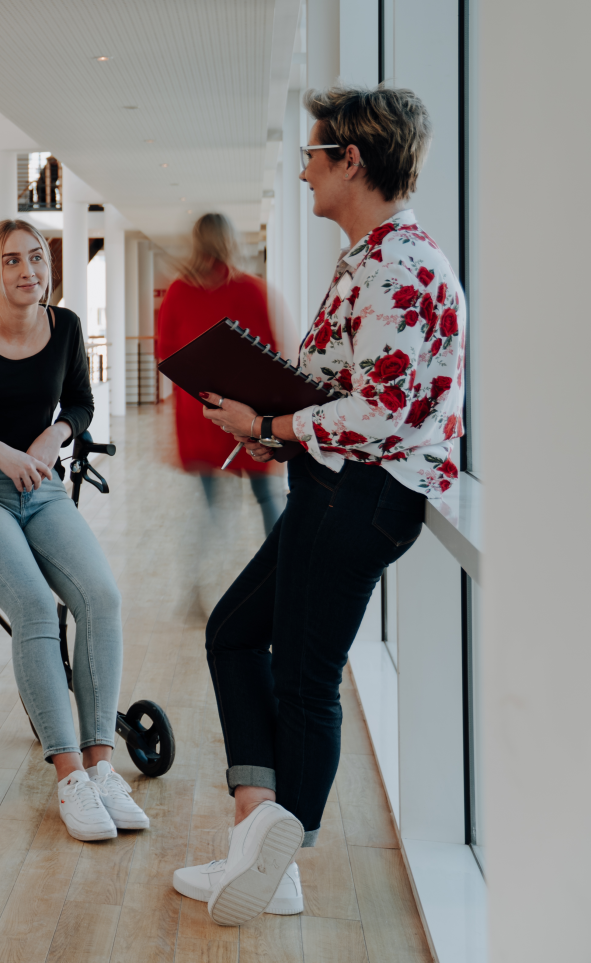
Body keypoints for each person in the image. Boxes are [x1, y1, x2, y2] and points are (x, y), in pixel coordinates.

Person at [175, 85, 466, 926]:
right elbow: (342, 391)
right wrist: (270, 426)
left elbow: (382, 414)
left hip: (363, 496)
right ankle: (263, 842)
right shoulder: (367, 259)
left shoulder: (402, 267)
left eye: (313, 155)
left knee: (305, 679)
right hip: (332, 483)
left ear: (352, 160)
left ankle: (280, 853)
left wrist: (270, 419)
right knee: (233, 631)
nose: (303, 172)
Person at [0, 219, 149, 843]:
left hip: (38, 488)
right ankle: (68, 775)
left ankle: (100, 764)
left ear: (49, 266)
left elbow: (80, 403)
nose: (25, 271)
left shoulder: (64, 327)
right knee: (37, 606)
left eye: (35, 258)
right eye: (9, 260)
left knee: (102, 599)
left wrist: (52, 437)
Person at [155, 213, 285, 533]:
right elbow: (272, 354)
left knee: (212, 502)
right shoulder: (253, 289)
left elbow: (166, 354)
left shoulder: (178, 292)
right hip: (249, 412)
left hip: (201, 413)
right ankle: (281, 565)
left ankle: (196, 579)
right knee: (267, 496)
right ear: (231, 242)